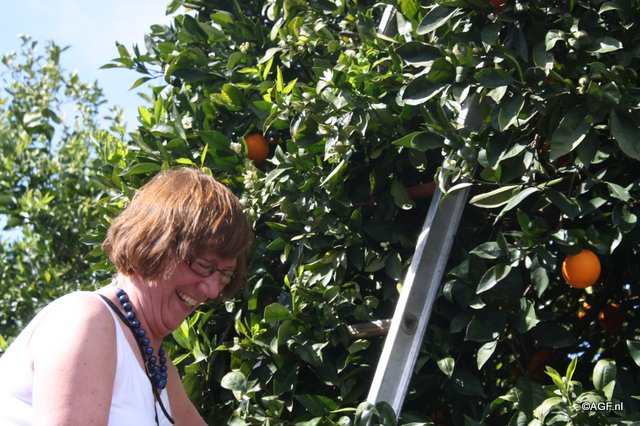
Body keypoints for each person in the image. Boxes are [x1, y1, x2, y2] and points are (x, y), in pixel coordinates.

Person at [0, 167, 253, 425]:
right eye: (203, 266)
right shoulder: (87, 320)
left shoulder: (159, 368)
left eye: (224, 275)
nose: (212, 290)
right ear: (158, 244)